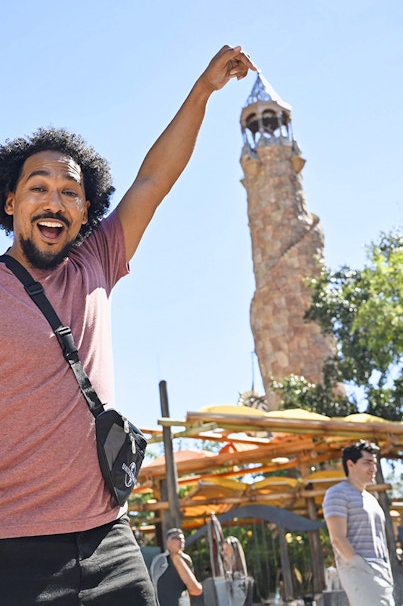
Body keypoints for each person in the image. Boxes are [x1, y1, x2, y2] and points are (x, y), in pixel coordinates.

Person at [0, 45, 256, 605]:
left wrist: (204, 90)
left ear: (85, 213)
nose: (55, 200)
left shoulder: (96, 262)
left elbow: (153, 180)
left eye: (70, 192)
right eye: (38, 187)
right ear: (11, 202)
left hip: (111, 542)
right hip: (13, 554)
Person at [322, 440, 395, 606]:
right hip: (360, 571)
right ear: (350, 464)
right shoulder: (337, 493)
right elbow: (337, 538)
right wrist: (361, 566)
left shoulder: (371, 499)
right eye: (367, 463)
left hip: (382, 571)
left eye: (374, 463)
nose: (373, 469)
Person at [150, 528, 202, 606]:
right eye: (177, 538)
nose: (181, 541)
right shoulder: (160, 560)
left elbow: (194, 589)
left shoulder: (186, 560)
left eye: (183, 538)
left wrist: (177, 557)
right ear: (168, 541)